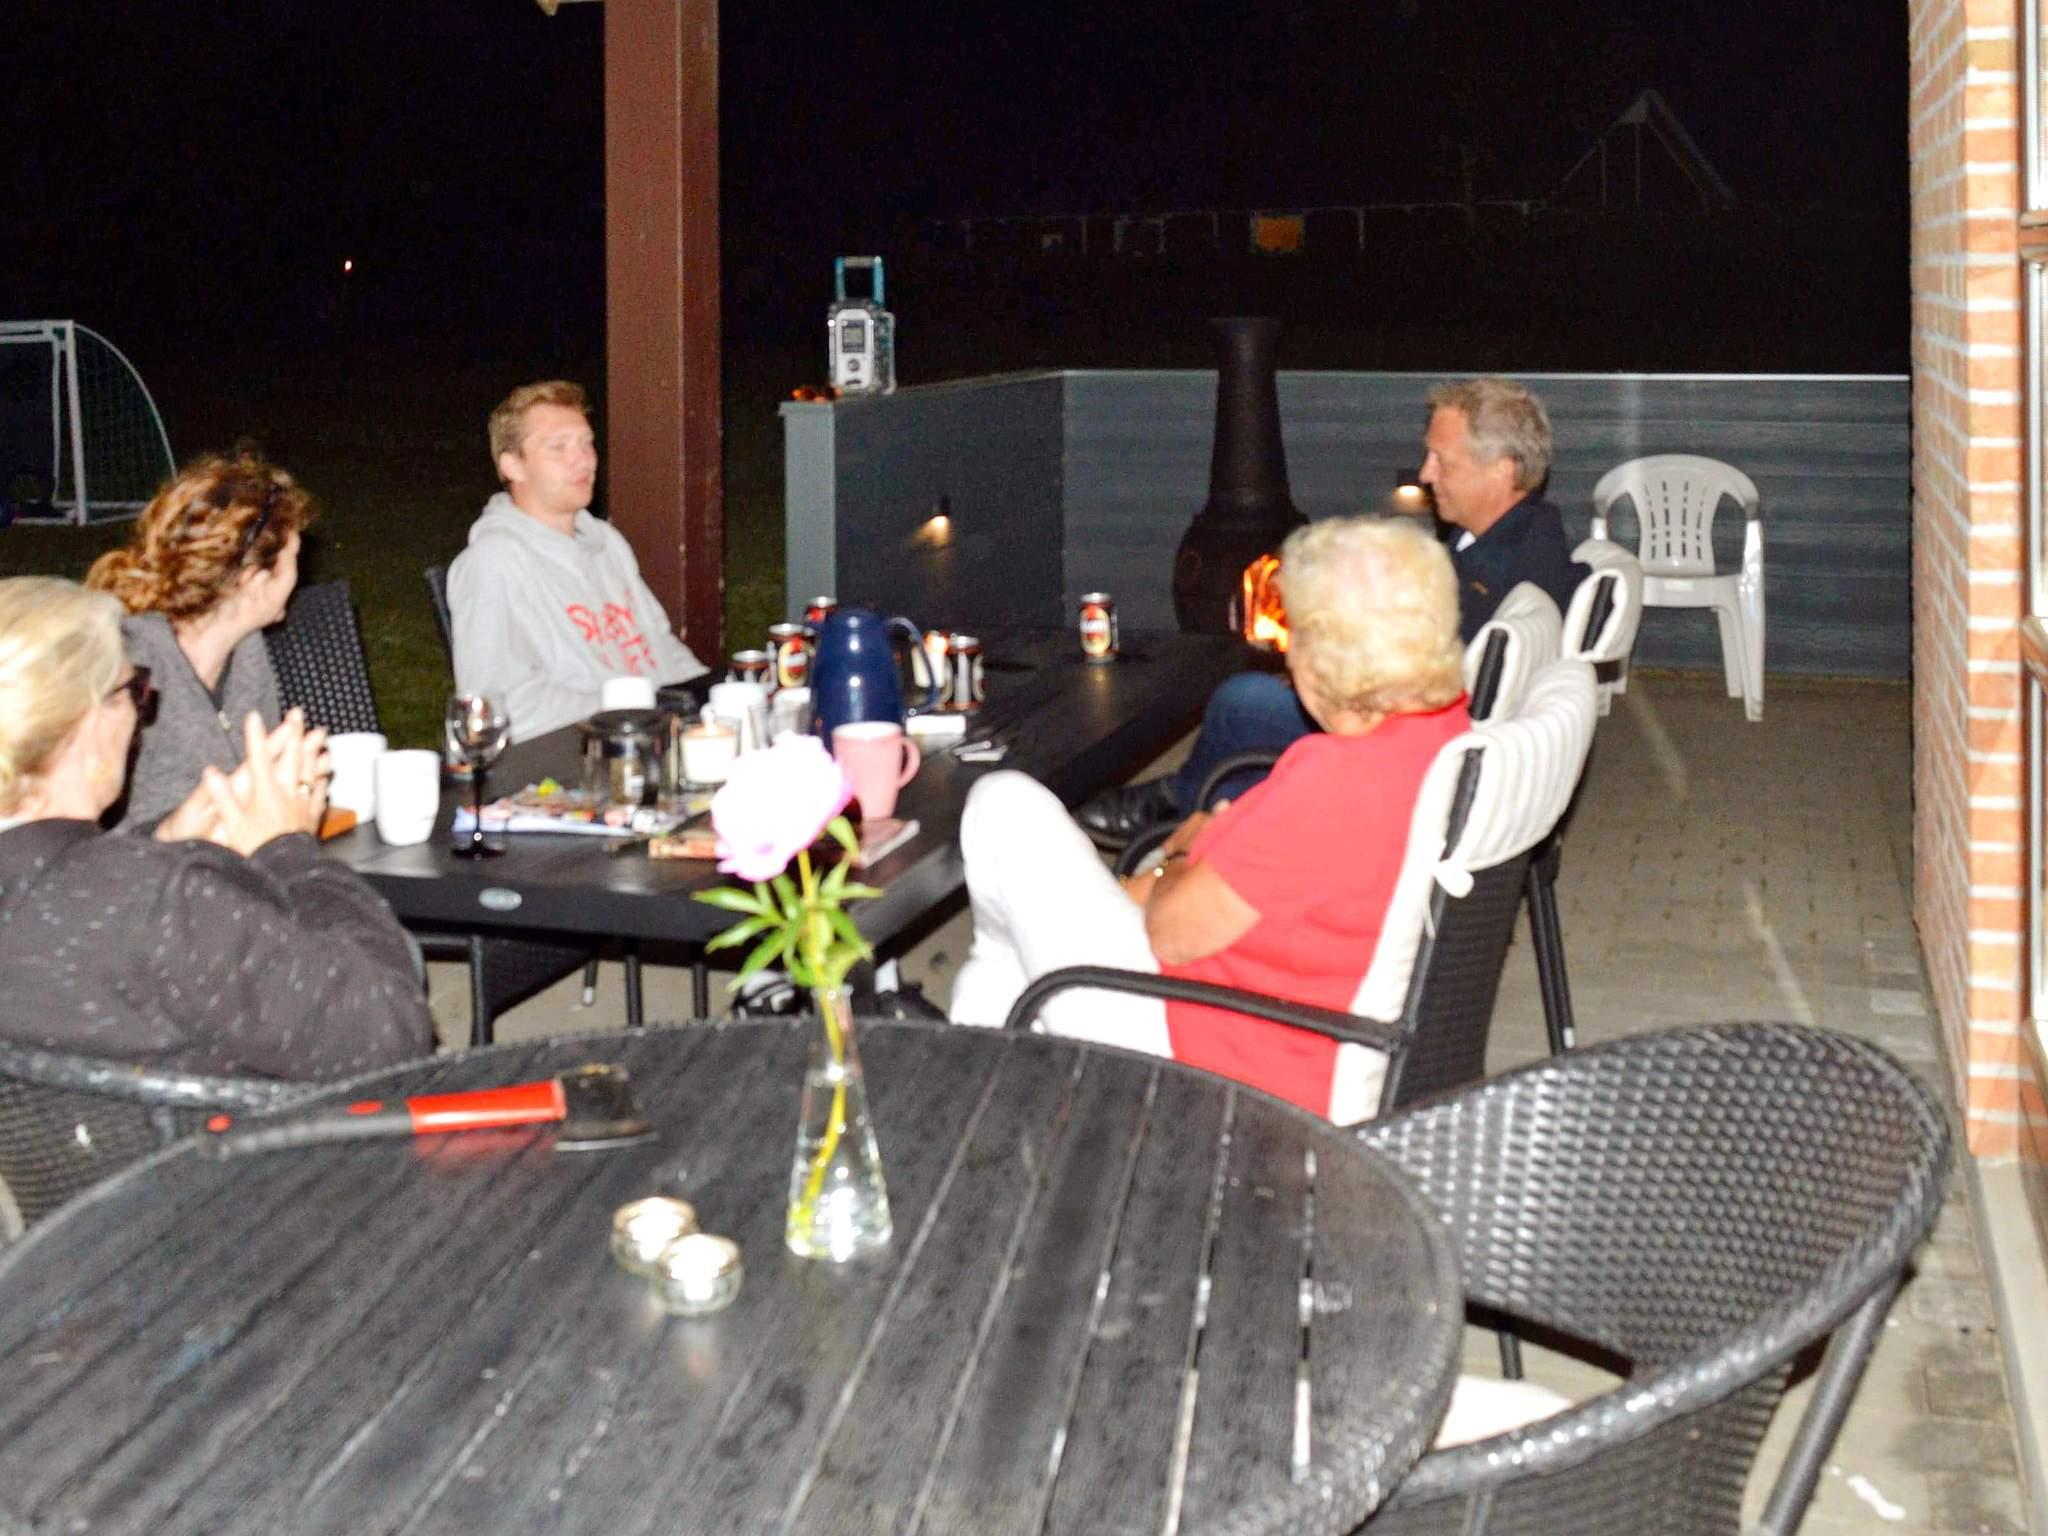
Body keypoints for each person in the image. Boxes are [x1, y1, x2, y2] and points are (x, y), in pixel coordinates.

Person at [948, 516, 1471, 1119]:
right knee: (1008, 948)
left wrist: (1176, 857)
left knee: (1002, 803)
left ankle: (981, 1047)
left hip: (1214, 1053)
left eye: (1296, 633)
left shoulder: (1336, 779)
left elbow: (1171, 933)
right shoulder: (1446, 730)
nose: (1287, 649)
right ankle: (984, 1046)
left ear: (1330, 659)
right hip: (1295, 1021)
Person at [1077, 375, 1584, 842]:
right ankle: (1224, 813)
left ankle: (1181, 803)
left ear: (1502, 471)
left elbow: (1425, 679)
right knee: (1261, 721)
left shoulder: (1504, 568)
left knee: (1242, 701)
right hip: (1442, 736)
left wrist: (1334, 672)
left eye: (1442, 460)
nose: (1426, 474)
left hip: (1419, 752)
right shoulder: (1525, 533)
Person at [0, 578, 433, 1079]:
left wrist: (163, 842)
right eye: (132, 690)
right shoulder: (163, 905)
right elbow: (391, 1033)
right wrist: (288, 849)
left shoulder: (113, 889)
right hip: (250, 1128)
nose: (139, 716)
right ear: (86, 724)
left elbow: (65, 890)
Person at [448, 380, 708, 741]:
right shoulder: (492, 564)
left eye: (586, 443)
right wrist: (634, 707)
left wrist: (712, 697)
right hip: (574, 751)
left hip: (652, 734)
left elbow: (659, 646)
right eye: (559, 448)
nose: (583, 459)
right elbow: (500, 706)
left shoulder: (606, 544)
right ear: (513, 466)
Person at [85, 452, 309, 832]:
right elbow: (81, 839)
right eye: (293, 559)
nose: (298, 576)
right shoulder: (128, 673)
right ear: (253, 582)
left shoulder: (246, 652)